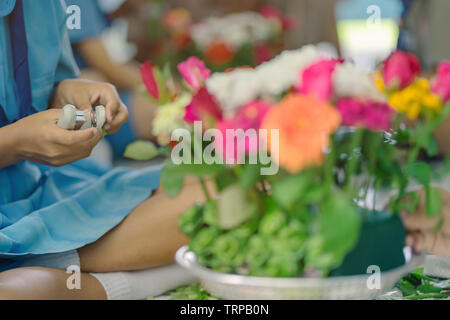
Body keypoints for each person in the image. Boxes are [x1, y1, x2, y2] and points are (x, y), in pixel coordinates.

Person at [0, 0, 208, 300]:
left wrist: (70, 93)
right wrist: (14, 143)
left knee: (232, 184)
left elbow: (50, 88)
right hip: (27, 216)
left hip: (47, 194)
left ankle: (55, 271)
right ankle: (80, 275)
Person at [66, 0, 156, 158]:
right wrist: (163, 89)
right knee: (168, 112)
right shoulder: (80, 4)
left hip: (94, 99)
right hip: (81, 105)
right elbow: (108, 67)